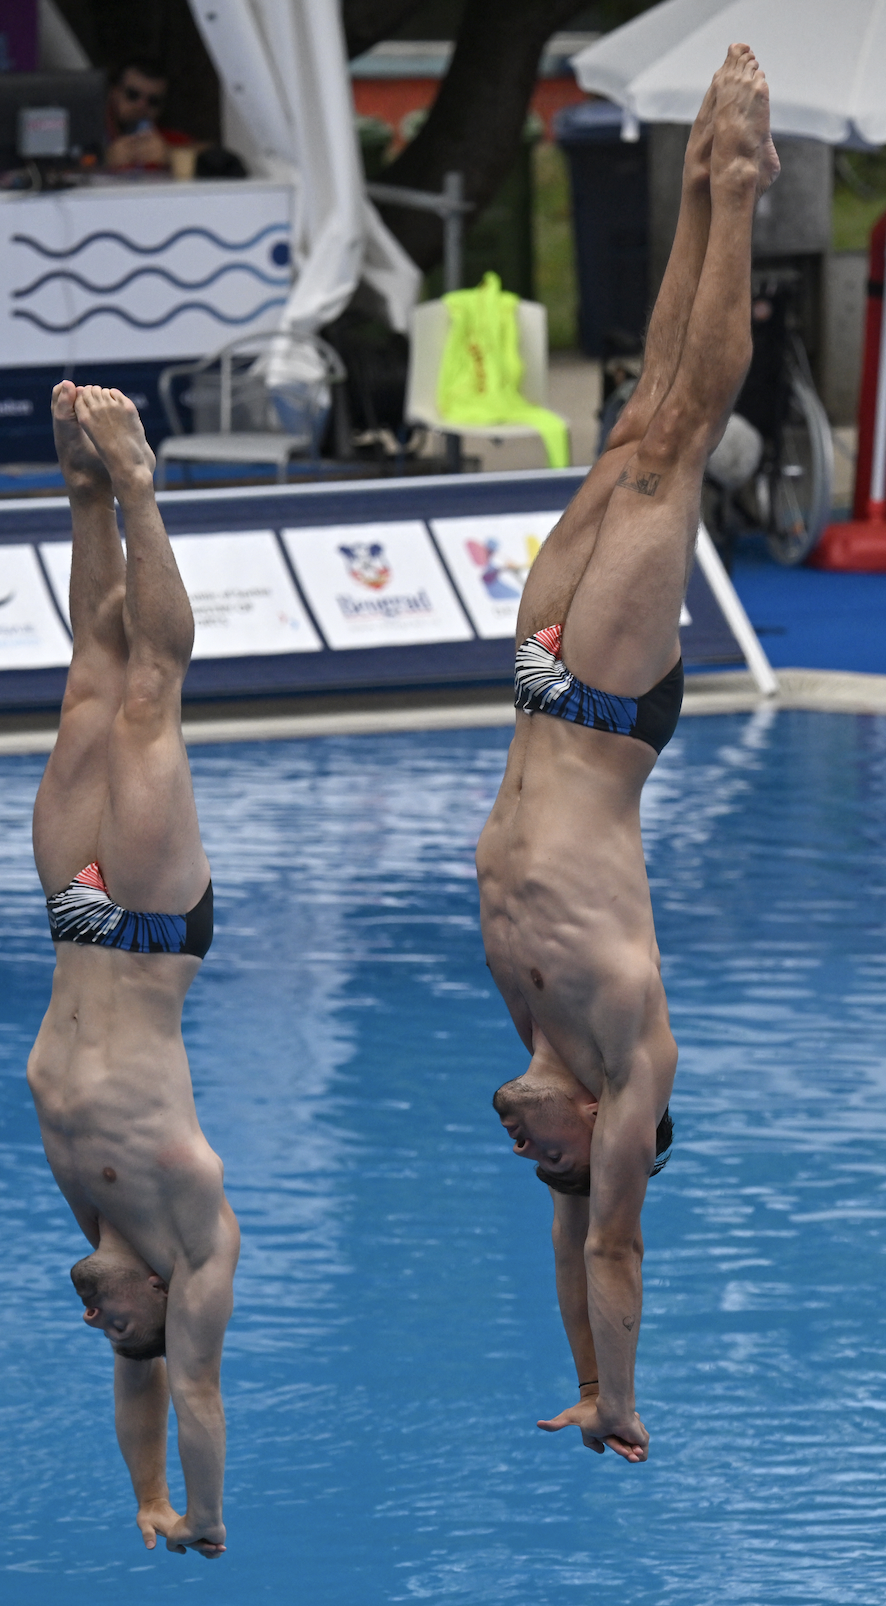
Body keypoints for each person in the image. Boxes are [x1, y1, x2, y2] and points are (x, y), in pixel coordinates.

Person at [476, 45, 778, 1465]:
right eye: (553, 1157)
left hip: (544, 685)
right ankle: (738, 183)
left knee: (638, 418)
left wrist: (571, 1372)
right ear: (606, 1129)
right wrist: (617, 1398)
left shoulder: (539, 1030)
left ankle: (702, 177)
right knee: (681, 435)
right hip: (607, 705)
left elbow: (563, 1235)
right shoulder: (630, 1051)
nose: (523, 1152)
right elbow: (607, 1244)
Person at [27, 381, 239, 1558]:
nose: (95, 1319)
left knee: (87, 684)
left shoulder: (96, 1205)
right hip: (154, 930)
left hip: (74, 921)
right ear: (162, 1296)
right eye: (117, 1323)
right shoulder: (192, 1234)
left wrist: (144, 1501)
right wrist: (201, 1516)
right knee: (149, 697)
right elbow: (184, 1384)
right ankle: (140, 485)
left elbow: (135, 1380)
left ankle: (80, 491)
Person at [105, 58, 197, 176]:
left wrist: (169, 155)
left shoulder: (166, 141)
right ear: (114, 93)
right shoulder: (91, 133)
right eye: (133, 95)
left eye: (153, 101)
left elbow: (212, 155)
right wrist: (104, 160)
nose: (141, 106)